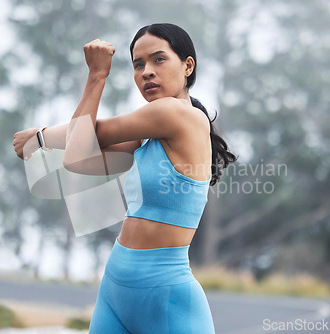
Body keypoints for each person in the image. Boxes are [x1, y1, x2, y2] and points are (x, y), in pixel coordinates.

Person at [13, 23, 236, 334]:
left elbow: (84, 137)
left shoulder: (177, 115)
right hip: (115, 288)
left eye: (159, 60)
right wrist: (40, 139)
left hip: (166, 297)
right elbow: (78, 157)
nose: (146, 72)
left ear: (187, 66)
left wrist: (95, 77)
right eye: (138, 64)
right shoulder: (148, 134)